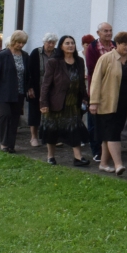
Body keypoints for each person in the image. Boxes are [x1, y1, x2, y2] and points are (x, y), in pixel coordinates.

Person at [89, 32, 127, 176]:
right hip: (106, 103)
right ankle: (118, 164)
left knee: (108, 135)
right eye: (124, 44)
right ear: (117, 44)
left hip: (122, 104)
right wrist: (93, 102)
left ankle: (103, 164)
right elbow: (96, 81)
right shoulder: (106, 58)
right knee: (113, 135)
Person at [39, 35, 91, 167]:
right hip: (56, 102)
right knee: (52, 130)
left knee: (75, 129)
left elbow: (81, 82)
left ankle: (78, 158)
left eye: (72, 43)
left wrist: (85, 97)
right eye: (67, 43)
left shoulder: (79, 61)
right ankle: (51, 156)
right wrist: (43, 103)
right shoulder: (53, 62)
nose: (70, 45)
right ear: (61, 46)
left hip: (73, 103)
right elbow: (46, 84)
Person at [0, 30, 32, 153]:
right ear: (13, 41)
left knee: (14, 118)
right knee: (5, 115)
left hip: (19, 92)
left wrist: (29, 88)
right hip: (3, 92)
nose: (20, 45)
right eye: (18, 42)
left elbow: (27, 75)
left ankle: (11, 144)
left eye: (23, 43)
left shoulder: (25, 56)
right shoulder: (2, 55)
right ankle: (4, 143)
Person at [84, 23, 115, 162]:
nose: (108, 33)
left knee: (110, 122)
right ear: (98, 32)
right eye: (105, 31)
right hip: (97, 89)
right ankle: (96, 151)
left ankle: (108, 151)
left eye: (110, 31)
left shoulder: (115, 45)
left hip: (113, 90)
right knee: (94, 123)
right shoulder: (92, 48)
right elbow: (92, 69)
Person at [27, 33, 58, 147]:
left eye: (53, 43)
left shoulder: (57, 53)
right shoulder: (36, 52)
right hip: (37, 86)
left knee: (52, 113)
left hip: (53, 88)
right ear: (44, 42)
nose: (51, 45)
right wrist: (29, 87)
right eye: (48, 42)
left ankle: (50, 137)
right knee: (35, 112)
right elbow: (29, 71)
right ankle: (33, 137)